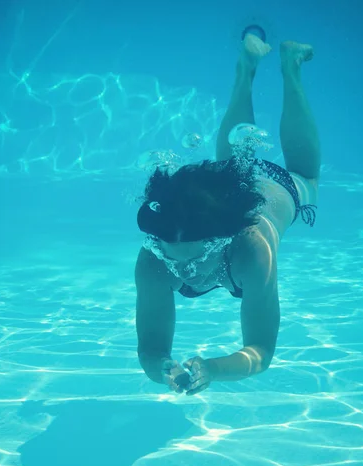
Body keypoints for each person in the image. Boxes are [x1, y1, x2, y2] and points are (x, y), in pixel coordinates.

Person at [135, 25, 321, 395]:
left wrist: (213, 369)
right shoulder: (155, 258)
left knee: (306, 178)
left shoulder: (253, 251)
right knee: (230, 161)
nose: (184, 270)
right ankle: (247, 65)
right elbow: (152, 349)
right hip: (219, 193)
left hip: (279, 187)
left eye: (193, 258)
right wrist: (163, 368)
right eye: (175, 261)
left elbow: (261, 351)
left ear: (223, 242)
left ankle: (290, 66)